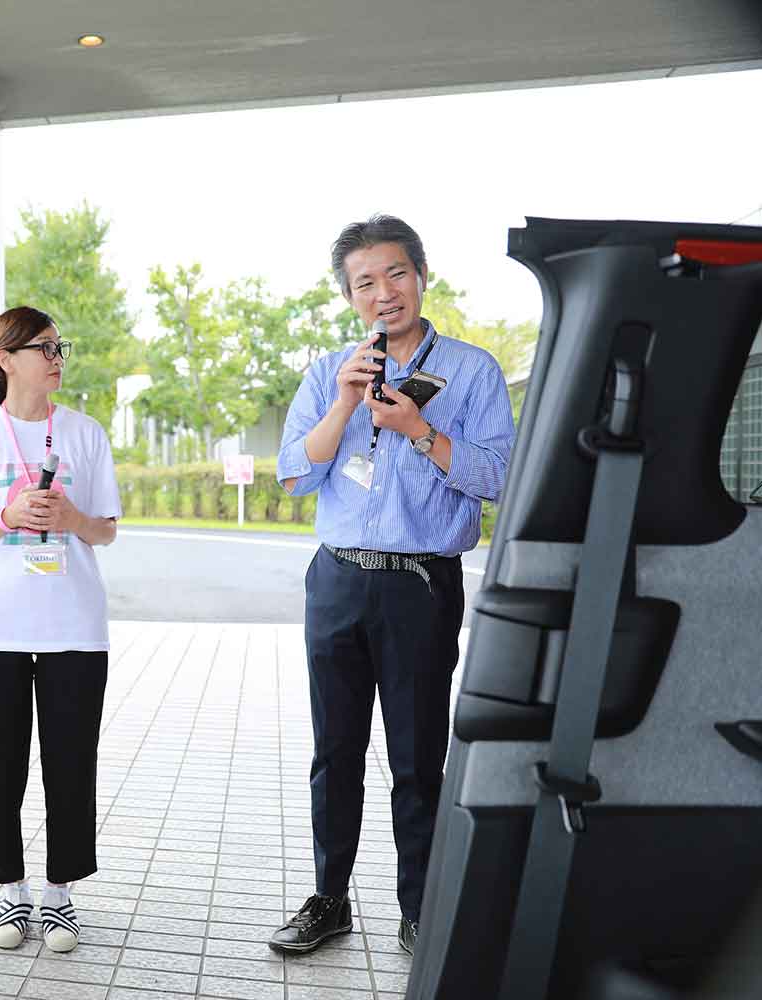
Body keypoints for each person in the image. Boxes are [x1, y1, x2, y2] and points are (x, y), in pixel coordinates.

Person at [270, 214, 515, 957]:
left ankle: (420, 907)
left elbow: (500, 475)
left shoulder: (473, 371)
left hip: (419, 584)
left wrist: (418, 430)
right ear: (350, 297)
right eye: (365, 282)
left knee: (416, 759)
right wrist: (345, 402)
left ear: (422, 277)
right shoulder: (326, 373)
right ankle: (328, 900)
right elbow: (293, 474)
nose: (385, 293)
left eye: (396, 274)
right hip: (337, 581)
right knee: (332, 752)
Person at [0, 306, 122, 954]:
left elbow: (105, 528)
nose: (57, 356)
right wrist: (9, 514)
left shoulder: (85, 433)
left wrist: (71, 516)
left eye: (58, 345)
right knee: (0, 768)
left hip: (74, 626)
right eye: (44, 347)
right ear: (7, 358)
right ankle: (10, 892)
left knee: (71, 766)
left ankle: (61, 896)